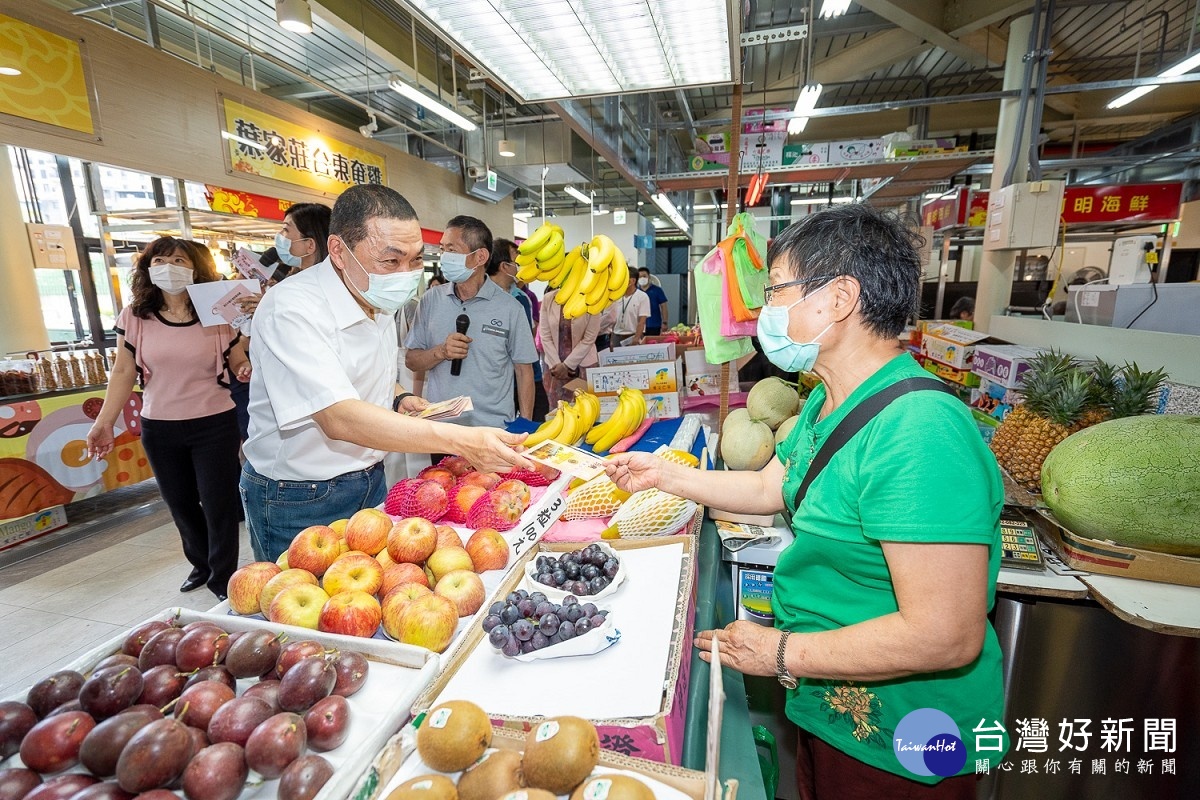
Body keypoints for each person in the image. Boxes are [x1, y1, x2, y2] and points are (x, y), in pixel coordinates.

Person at [606, 205, 1006, 798]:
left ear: (838, 298)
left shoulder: (919, 430)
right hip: (832, 705)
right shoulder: (828, 401)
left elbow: (945, 633)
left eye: (775, 291)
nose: (765, 309)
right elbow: (771, 487)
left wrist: (780, 651)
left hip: (904, 733)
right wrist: (665, 475)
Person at [241, 187, 530, 562]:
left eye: (415, 260)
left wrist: (399, 397)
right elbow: (337, 415)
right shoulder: (293, 308)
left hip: (369, 477)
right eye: (391, 262)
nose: (407, 275)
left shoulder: (375, 297)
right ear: (339, 251)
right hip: (299, 494)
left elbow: (363, 373)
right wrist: (460, 440)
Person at [86, 236, 250, 601]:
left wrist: (243, 367)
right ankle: (201, 562)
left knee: (219, 501)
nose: (169, 267)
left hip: (214, 423)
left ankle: (223, 577)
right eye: (160, 260)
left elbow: (236, 355)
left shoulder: (216, 311)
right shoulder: (136, 316)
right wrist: (104, 423)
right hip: (160, 426)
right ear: (147, 268)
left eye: (179, 260)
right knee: (180, 502)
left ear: (196, 269)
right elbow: (123, 371)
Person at [405, 216, 538, 433]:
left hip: (493, 429)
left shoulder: (510, 308)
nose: (444, 257)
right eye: (442, 249)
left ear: (480, 256)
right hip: (440, 429)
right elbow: (412, 361)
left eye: (452, 250)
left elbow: (524, 372)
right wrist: (441, 352)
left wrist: (524, 425)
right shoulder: (430, 300)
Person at [231, 204, 332, 439]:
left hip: (303, 414)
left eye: (287, 230)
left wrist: (271, 308)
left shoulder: (309, 289)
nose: (280, 238)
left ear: (310, 244)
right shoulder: (287, 282)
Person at [490, 238, 549, 421]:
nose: (521, 266)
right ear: (504, 266)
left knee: (536, 423)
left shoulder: (522, 298)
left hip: (528, 375)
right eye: (517, 261)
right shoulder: (482, 299)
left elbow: (528, 339)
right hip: (497, 383)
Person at [539, 284, 603, 405]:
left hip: (583, 365)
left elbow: (589, 338)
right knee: (556, 412)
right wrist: (557, 365)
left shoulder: (592, 299)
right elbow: (545, 335)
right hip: (554, 368)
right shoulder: (549, 299)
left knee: (585, 409)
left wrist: (568, 365)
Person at [612, 267, 650, 346]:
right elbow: (612, 318)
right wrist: (611, 339)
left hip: (633, 336)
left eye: (624, 279)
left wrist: (636, 338)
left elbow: (642, 321)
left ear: (633, 281)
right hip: (617, 335)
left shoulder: (642, 296)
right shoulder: (616, 295)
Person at [638, 267, 670, 335]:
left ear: (649, 277)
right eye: (640, 277)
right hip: (638, 326)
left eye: (644, 276)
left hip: (654, 325)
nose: (642, 278)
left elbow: (663, 306)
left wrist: (665, 322)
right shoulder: (636, 292)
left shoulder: (657, 290)